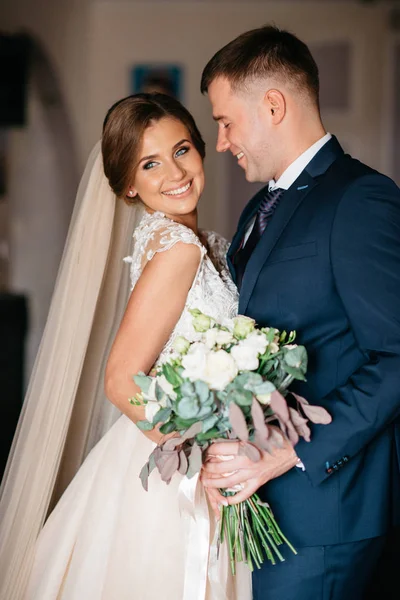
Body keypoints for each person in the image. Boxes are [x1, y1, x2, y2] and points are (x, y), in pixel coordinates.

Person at [0, 93, 251, 599]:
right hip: (173, 464)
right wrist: (196, 459)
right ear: (129, 186)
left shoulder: (206, 244)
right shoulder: (178, 249)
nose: (174, 172)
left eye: (182, 150)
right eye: (149, 163)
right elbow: (120, 378)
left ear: (202, 149)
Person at [200, 25, 400, 600]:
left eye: (225, 120)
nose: (221, 141)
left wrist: (288, 449)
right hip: (267, 514)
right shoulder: (258, 211)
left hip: (325, 516)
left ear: (272, 105)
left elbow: (393, 359)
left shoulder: (360, 198)